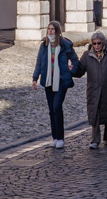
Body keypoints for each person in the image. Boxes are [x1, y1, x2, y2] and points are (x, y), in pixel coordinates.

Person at [72, 30, 107, 149]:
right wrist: (72, 69)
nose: (97, 46)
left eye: (99, 43)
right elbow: (80, 71)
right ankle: (95, 139)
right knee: (95, 115)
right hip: (93, 89)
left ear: (104, 43)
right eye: (94, 43)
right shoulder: (87, 55)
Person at [32, 20, 78, 149]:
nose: (50, 31)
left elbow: (75, 60)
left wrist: (71, 69)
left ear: (57, 31)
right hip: (48, 80)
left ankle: (61, 137)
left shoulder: (65, 45)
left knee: (57, 107)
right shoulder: (44, 45)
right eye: (49, 29)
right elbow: (39, 63)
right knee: (52, 109)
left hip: (61, 80)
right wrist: (35, 78)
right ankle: (55, 137)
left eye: (53, 29)